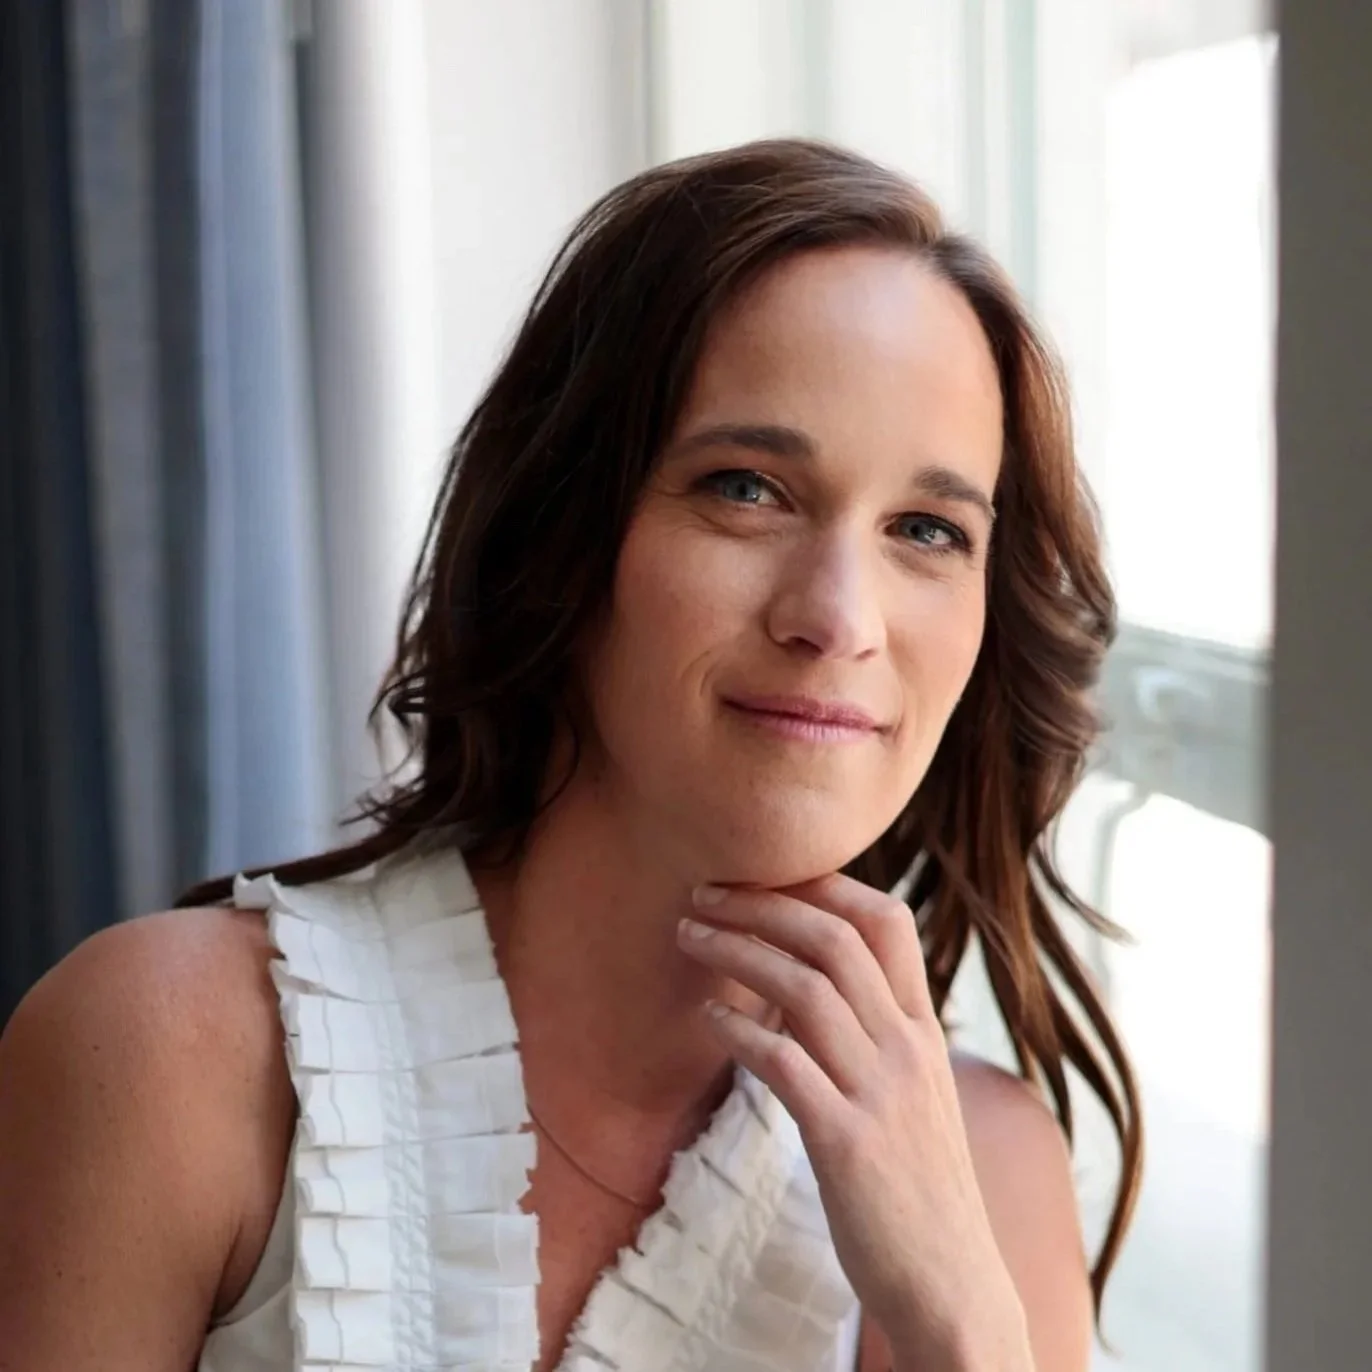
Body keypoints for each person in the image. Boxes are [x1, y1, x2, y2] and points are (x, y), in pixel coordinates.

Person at [0, 138, 1141, 1372]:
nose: (839, 617)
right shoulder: (168, 1054)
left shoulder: (993, 1184)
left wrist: (962, 1327)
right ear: (563, 529)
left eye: (925, 529)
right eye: (746, 488)